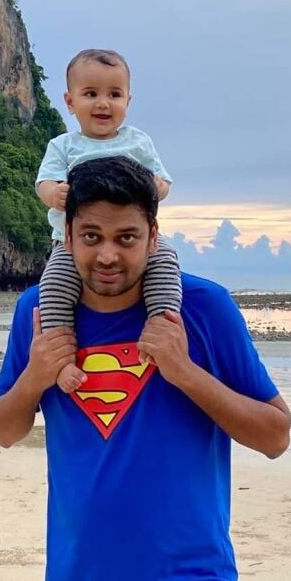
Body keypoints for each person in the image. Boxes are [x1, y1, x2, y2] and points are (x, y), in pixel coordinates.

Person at [0, 157, 291, 581]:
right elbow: (3, 429)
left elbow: (275, 435)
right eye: (91, 237)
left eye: (126, 238)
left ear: (153, 235)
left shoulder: (200, 310)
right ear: (67, 235)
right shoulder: (40, 315)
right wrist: (34, 377)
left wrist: (185, 371)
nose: (107, 256)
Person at [37, 49, 181, 393]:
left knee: (165, 264)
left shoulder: (138, 142)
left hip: (140, 244)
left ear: (127, 101)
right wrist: (54, 193)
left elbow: (161, 182)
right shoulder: (63, 145)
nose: (103, 103)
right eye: (91, 94)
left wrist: (157, 186)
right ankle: (60, 360)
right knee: (54, 287)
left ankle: (161, 328)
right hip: (69, 245)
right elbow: (43, 182)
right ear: (70, 102)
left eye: (114, 95)